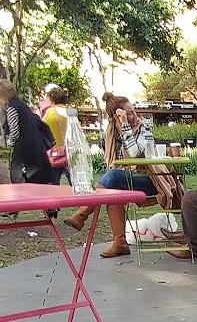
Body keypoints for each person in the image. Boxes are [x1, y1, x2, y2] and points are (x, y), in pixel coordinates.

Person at [63, 92, 183, 258]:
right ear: (116, 116)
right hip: (127, 180)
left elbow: (134, 153)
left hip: (150, 181)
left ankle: (82, 213)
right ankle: (120, 243)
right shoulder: (111, 132)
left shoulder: (143, 129)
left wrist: (126, 125)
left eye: (133, 112)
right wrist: (121, 126)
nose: (134, 116)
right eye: (129, 113)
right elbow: (111, 160)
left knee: (112, 176)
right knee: (112, 192)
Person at [0, 79, 54, 185]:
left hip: (25, 156)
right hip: (36, 152)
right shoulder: (22, 105)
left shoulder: (12, 108)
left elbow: (15, 133)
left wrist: (9, 143)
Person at [42, 86, 71, 185]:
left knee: (53, 184)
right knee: (75, 183)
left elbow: (43, 128)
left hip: (54, 152)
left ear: (51, 99)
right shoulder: (70, 111)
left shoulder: (49, 112)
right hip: (69, 152)